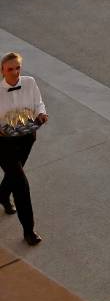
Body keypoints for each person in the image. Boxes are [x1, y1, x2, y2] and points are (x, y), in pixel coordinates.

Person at [0, 51, 48, 245]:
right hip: (3, 144)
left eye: (17, 67)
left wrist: (42, 114)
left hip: (27, 139)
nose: (14, 72)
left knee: (13, 177)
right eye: (10, 69)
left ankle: (2, 195)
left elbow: (39, 103)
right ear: (2, 70)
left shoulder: (29, 82)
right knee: (21, 185)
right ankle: (29, 231)